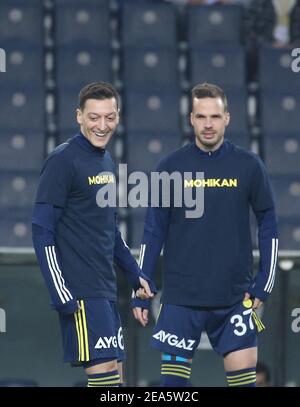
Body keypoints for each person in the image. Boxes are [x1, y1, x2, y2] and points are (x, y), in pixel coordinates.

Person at [132, 83, 278, 387]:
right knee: (172, 391)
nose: (208, 124)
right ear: (191, 119)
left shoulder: (249, 166)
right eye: (201, 117)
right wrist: (141, 286)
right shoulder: (169, 167)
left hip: (236, 299)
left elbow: (269, 223)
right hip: (181, 299)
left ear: (227, 118)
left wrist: (264, 282)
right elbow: (152, 231)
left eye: (214, 116)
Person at [32, 82, 156, 387]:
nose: (102, 125)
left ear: (118, 117)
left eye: (109, 117)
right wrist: (60, 291)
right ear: (78, 116)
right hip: (82, 291)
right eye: (94, 117)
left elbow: (109, 230)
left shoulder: (106, 161)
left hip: (106, 290)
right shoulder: (63, 160)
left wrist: (134, 271)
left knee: (117, 382)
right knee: (105, 383)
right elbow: (41, 229)